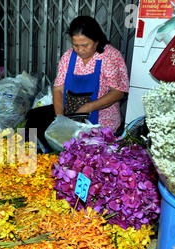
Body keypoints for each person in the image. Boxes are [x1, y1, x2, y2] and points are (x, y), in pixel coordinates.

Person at [26, 16, 129, 151]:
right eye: (76, 45)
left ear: (97, 40)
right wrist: (60, 119)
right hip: (71, 116)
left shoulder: (110, 56)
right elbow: (58, 90)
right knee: (34, 117)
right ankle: (34, 157)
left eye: (85, 45)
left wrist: (88, 108)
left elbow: (117, 93)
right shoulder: (68, 57)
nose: (80, 50)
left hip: (100, 120)